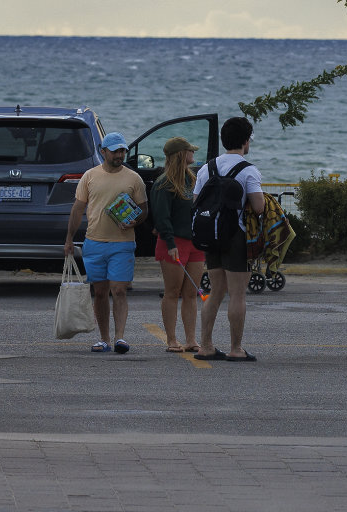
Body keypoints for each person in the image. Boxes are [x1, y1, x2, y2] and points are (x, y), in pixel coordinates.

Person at [193, 115, 267, 363]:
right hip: (237, 236)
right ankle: (236, 348)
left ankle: (205, 345)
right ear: (246, 141)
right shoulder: (248, 171)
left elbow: (196, 203)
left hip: (211, 234)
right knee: (237, 294)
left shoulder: (207, 168)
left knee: (215, 291)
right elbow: (258, 207)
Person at [68, 131, 148, 355]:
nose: (120, 155)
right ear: (103, 152)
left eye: (123, 150)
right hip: (94, 242)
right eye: (115, 151)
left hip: (122, 244)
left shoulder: (134, 178)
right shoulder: (90, 176)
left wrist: (133, 221)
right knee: (100, 292)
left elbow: (144, 210)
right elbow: (77, 209)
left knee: (119, 290)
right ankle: (104, 339)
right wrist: (68, 239)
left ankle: (120, 337)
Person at [152, 136, 203, 354]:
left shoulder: (192, 179)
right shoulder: (164, 183)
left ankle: (191, 339)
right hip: (172, 242)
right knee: (172, 291)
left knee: (192, 292)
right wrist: (170, 243)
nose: (193, 153)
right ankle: (172, 339)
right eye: (190, 150)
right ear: (181, 154)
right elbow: (161, 216)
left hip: (194, 242)